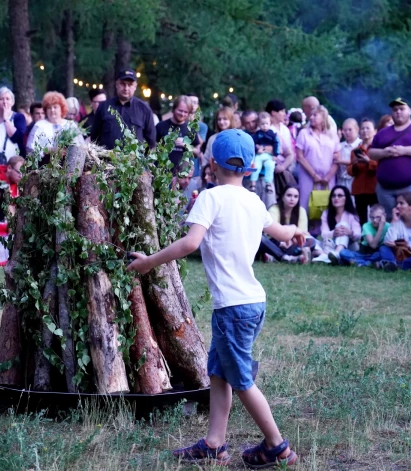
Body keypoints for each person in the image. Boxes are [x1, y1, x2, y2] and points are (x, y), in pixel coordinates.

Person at [128, 129, 300, 469]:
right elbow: (281, 234)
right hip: (251, 303)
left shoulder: (211, 197)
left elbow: (191, 243)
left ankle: (277, 447)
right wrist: (297, 232)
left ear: (211, 162)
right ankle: (214, 444)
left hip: (234, 308)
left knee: (240, 379)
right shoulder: (253, 199)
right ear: (250, 168)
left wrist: (148, 261)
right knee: (219, 374)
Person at [368, 98, 411, 216]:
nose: (398, 112)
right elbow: (371, 152)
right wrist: (384, 152)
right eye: (395, 110)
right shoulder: (382, 133)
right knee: (391, 222)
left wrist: (404, 150)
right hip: (385, 190)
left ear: (410, 111)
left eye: (401, 109)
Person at [90, 68, 156, 150]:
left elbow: (151, 142)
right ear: (116, 84)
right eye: (123, 84)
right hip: (106, 160)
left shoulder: (144, 109)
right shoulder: (103, 107)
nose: (126, 88)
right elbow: (94, 138)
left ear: (135, 86)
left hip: (134, 162)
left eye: (130, 85)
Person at [296, 105, 340, 214]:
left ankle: (325, 229)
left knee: (327, 204)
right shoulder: (304, 133)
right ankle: (305, 229)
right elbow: (300, 157)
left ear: (323, 117)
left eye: (315, 115)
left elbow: (338, 158)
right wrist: (314, 175)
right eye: (311, 115)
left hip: (328, 178)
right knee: (306, 205)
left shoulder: (332, 135)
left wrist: (329, 176)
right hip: (308, 176)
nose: (311, 118)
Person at [260, 186, 319, 264]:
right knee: (261, 238)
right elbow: (270, 232)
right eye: (289, 195)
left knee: (311, 241)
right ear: (282, 197)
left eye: (295, 196)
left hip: (292, 244)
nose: (292, 199)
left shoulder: (301, 211)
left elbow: (303, 233)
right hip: (275, 241)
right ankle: (285, 257)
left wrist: (290, 241)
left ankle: (274, 256)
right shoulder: (274, 209)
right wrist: (282, 241)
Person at [26, 91, 82, 159]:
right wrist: (49, 150)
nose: (52, 110)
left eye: (55, 107)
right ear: (45, 110)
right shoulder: (39, 125)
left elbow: (81, 146)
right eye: (49, 108)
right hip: (43, 166)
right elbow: (29, 148)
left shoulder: (70, 125)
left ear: (61, 108)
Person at [314, 185, 361, 264]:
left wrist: (350, 233)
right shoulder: (326, 213)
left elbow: (358, 235)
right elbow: (323, 234)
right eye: (333, 196)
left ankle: (335, 255)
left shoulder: (352, 215)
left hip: (348, 248)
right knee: (309, 239)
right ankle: (327, 256)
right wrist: (333, 233)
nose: (336, 198)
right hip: (330, 245)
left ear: (346, 198)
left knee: (343, 225)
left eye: (339, 195)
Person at [379, 191, 411, 272]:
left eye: (401, 203)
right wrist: (394, 221)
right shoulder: (397, 220)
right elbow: (388, 242)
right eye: (397, 203)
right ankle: (393, 264)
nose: (397, 206)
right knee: (384, 248)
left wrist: (409, 246)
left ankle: (393, 264)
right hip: (404, 254)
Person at [155, 96, 202, 174]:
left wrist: (185, 145)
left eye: (186, 112)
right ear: (174, 109)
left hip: (182, 176)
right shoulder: (161, 126)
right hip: (162, 173)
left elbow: (197, 152)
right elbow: (152, 147)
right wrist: (165, 145)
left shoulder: (191, 128)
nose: (182, 114)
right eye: (180, 110)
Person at [348, 118, 378, 225]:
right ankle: (363, 240)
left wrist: (368, 161)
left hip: (374, 189)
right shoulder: (355, 151)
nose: (365, 130)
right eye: (363, 128)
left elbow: (381, 168)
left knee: (376, 217)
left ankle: (376, 239)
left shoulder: (378, 149)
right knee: (361, 218)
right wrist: (355, 164)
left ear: (375, 131)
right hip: (359, 189)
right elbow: (350, 172)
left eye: (368, 128)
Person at [265, 100, 297, 193]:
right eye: (282, 111)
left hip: (286, 169)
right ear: (273, 113)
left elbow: (289, 151)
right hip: (271, 170)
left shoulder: (285, 128)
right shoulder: (266, 129)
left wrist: (284, 166)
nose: (284, 114)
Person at [247, 112, 280, 193]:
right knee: (256, 166)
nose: (264, 126)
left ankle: (268, 183)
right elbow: (252, 143)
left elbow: (276, 143)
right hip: (259, 154)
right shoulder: (257, 134)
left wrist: (276, 154)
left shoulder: (272, 134)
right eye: (262, 124)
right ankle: (253, 183)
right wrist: (257, 150)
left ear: (270, 124)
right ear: (259, 124)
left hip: (269, 155)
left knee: (270, 165)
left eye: (266, 124)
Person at [335, 118, 362, 192]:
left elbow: (358, 162)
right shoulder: (340, 146)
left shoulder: (361, 144)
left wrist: (340, 161)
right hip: (341, 181)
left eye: (350, 130)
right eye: (345, 130)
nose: (347, 132)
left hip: (355, 180)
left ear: (357, 129)